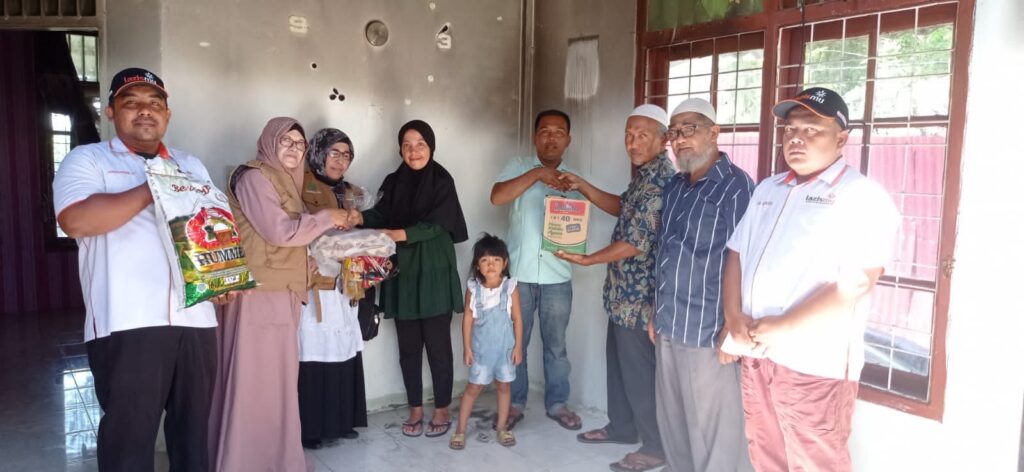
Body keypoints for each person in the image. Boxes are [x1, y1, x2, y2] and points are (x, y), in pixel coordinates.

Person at [53, 67, 229, 472]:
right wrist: (154, 187)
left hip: (197, 319)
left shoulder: (190, 164)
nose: (145, 111)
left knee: (193, 437)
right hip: (127, 321)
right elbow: (76, 221)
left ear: (167, 114)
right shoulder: (88, 159)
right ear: (111, 112)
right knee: (129, 442)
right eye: (131, 103)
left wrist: (223, 277)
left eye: (154, 103)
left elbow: (212, 225)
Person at [723, 87, 899, 472]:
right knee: (766, 454)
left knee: (815, 461)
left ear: (841, 139)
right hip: (757, 353)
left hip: (814, 364)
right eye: (790, 129)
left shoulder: (862, 196)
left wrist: (784, 325)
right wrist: (733, 317)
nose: (796, 138)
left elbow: (858, 281)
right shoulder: (769, 189)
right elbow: (736, 253)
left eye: (812, 129)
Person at [208, 117, 354, 471]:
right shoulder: (255, 177)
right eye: (285, 141)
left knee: (276, 386)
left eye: (299, 144)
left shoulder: (286, 180)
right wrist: (328, 217)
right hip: (260, 295)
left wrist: (307, 262)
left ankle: (274, 459)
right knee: (253, 382)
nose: (294, 148)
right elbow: (280, 232)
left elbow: (280, 240)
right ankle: (241, 462)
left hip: (280, 292)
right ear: (268, 143)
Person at [557, 104, 676, 472]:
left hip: (641, 299)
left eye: (642, 135)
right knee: (619, 367)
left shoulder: (661, 179)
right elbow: (623, 207)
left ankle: (655, 446)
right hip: (621, 295)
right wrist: (582, 186)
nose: (632, 142)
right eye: (629, 134)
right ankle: (622, 427)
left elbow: (637, 242)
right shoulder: (643, 175)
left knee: (639, 373)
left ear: (663, 139)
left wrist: (589, 259)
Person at [646, 98, 755, 472]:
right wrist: (655, 310)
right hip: (669, 322)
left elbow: (746, 260)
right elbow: (666, 252)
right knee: (673, 422)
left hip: (709, 330)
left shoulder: (736, 187)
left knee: (713, 432)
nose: (680, 140)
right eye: (674, 132)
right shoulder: (675, 186)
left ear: (714, 132)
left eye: (689, 129)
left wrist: (733, 325)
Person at [361, 119, 468, 438]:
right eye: (407, 145)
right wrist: (357, 217)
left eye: (420, 144)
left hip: (434, 270)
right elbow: (380, 213)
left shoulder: (442, 181)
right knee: (408, 348)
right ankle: (416, 408)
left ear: (431, 146)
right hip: (403, 274)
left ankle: (442, 407)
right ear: (400, 150)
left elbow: (438, 224)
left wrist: (399, 234)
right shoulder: (394, 181)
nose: (413, 151)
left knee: (438, 347)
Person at [489, 109, 583, 431]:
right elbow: (497, 197)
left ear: (568, 139)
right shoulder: (518, 167)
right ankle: (515, 404)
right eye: (545, 131)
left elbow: (579, 225)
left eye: (559, 132)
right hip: (519, 277)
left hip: (558, 277)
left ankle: (557, 403)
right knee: (516, 343)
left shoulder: (574, 179)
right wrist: (537, 174)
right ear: (534, 137)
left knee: (556, 346)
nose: (551, 137)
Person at [296, 128, 369, 449]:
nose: (340, 160)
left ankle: (342, 421)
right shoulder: (300, 184)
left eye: (346, 155)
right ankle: (311, 428)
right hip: (316, 283)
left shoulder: (352, 192)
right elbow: (292, 226)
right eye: (334, 153)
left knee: (345, 347)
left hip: (347, 281)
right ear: (318, 153)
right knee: (314, 349)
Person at [449, 234, 524, 450]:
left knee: (504, 386)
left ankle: (502, 427)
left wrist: (518, 347)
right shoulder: (473, 290)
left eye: (496, 260)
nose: (491, 265)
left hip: (505, 351)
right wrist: (467, 348)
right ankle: (460, 430)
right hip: (481, 352)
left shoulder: (510, 288)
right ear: (477, 265)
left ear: (505, 263)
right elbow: (467, 319)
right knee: (473, 388)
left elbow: (518, 318)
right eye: (485, 260)